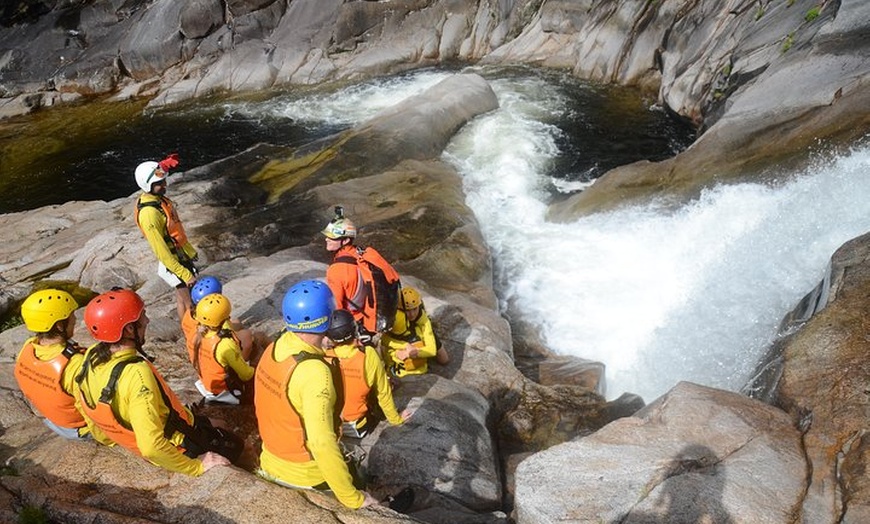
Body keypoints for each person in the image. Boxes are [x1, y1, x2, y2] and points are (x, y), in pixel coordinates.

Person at [76, 288, 241, 476]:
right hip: (180, 443)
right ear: (129, 329)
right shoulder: (137, 374)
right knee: (238, 445)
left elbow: (82, 402)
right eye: (142, 316)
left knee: (219, 423)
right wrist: (196, 467)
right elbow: (151, 447)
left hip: (163, 427)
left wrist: (109, 438)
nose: (147, 320)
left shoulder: (92, 355)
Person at [254, 279, 376, 509]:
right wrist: (353, 499)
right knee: (359, 482)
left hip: (270, 459)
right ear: (327, 318)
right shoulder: (315, 373)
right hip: (306, 474)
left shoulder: (275, 347)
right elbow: (321, 442)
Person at [14, 289, 89, 439]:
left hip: (52, 420)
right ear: (60, 326)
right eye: (72, 316)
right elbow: (92, 411)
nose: (76, 320)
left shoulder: (29, 346)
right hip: (78, 429)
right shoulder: (75, 364)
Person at [324, 309, 407, 439]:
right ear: (354, 330)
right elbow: (383, 392)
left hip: (329, 426)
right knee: (381, 383)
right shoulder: (367, 354)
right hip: (357, 427)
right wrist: (396, 420)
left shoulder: (324, 356)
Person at [133, 153, 198, 315]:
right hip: (173, 263)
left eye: (163, 181)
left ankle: (188, 331)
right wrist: (184, 274)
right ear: (147, 185)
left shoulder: (158, 200)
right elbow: (160, 250)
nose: (165, 185)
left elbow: (175, 230)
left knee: (181, 298)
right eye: (159, 183)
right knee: (191, 304)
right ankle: (193, 335)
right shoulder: (149, 214)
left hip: (179, 255)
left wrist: (189, 251)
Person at [322, 206, 401, 340]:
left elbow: (337, 310)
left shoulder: (336, 271)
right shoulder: (363, 254)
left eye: (332, 237)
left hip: (353, 323)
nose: (326, 239)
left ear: (345, 240)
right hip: (370, 318)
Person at [191, 293, 255, 405]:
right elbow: (246, 375)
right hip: (226, 391)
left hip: (207, 384)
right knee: (257, 352)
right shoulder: (225, 344)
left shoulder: (198, 335)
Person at [181, 276, 254, 366]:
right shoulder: (212, 317)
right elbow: (225, 332)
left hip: (199, 356)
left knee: (236, 322)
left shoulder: (188, 314)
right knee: (249, 335)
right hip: (217, 356)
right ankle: (244, 361)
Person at [381, 286, 449, 378]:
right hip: (401, 340)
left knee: (444, 359)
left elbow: (431, 350)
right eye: (408, 310)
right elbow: (384, 340)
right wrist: (405, 346)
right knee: (385, 348)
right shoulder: (397, 318)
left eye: (414, 309)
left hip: (420, 331)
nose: (412, 314)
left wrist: (413, 353)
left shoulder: (422, 318)